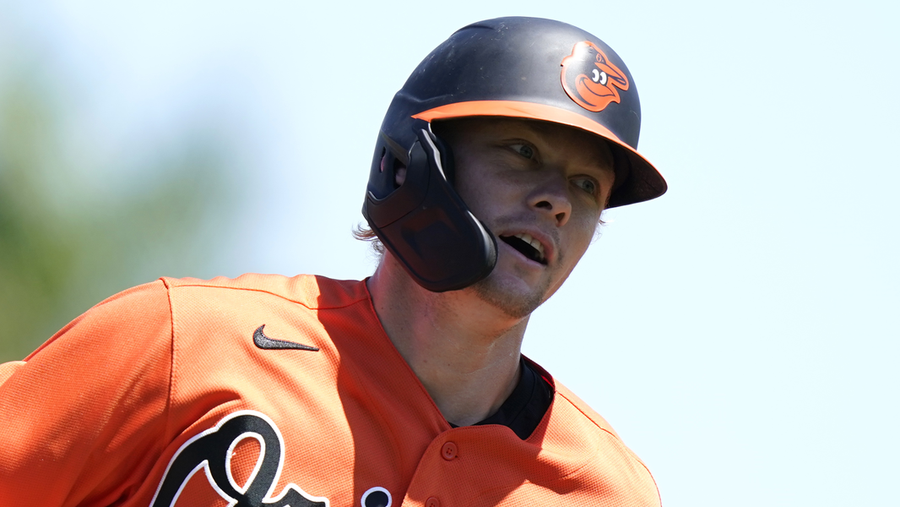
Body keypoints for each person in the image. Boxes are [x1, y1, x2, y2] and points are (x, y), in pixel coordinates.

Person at [0, 16, 666, 507]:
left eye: (587, 187)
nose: (556, 202)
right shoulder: (188, 343)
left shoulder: (606, 489)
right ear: (414, 162)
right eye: (522, 151)